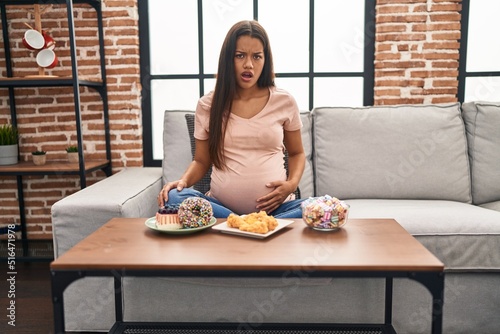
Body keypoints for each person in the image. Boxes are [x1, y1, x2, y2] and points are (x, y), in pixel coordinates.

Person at [158, 20, 306, 218]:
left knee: (323, 206)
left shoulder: (284, 101)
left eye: (257, 56)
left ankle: (244, 227)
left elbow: (297, 153)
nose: (249, 64)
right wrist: (183, 181)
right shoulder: (208, 105)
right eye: (240, 55)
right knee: (175, 198)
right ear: (228, 59)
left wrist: (290, 185)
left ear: (265, 60)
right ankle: (255, 227)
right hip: (221, 208)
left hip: (276, 209)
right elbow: (201, 161)